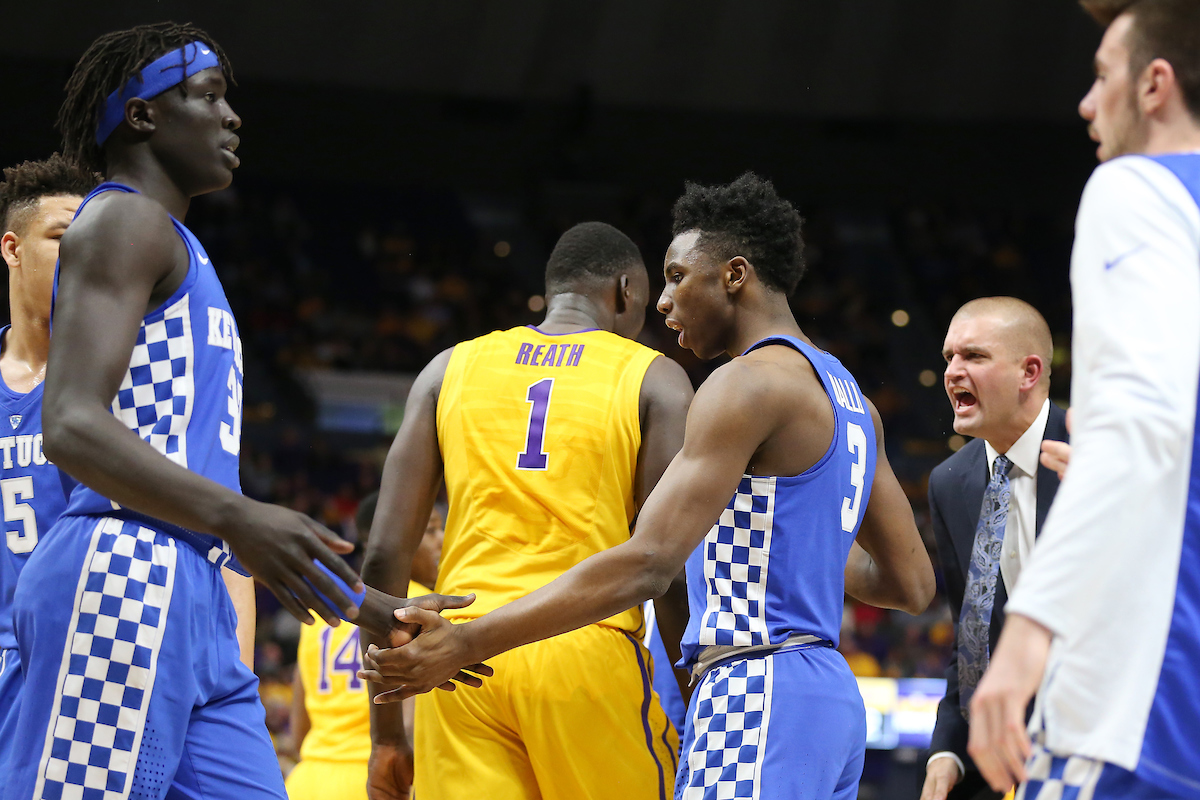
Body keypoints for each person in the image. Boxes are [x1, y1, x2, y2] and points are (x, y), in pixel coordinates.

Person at [361, 173, 936, 799]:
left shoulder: (742, 384)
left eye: (678, 276)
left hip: (751, 685)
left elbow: (651, 562)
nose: (664, 301)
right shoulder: (854, 400)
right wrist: (794, 547)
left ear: (735, 275)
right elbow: (911, 584)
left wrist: (467, 641)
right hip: (828, 698)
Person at [3, 24, 466, 800]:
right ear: (143, 116)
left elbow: (193, 469)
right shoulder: (120, 219)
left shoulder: (174, 241)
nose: (231, 117)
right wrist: (238, 518)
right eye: (209, 96)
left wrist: (361, 605)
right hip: (121, 573)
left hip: (197, 592)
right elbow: (71, 424)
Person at [360, 220, 695, 800]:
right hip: (585, 648)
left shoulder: (448, 368)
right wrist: (696, 694)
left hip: (457, 659)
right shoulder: (653, 376)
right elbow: (668, 571)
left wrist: (387, 734)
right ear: (625, 291)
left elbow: (385, 556)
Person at [967, 2, 1200, 799]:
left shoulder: (1136, 189)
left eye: (1103, 76)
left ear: (1155, 85)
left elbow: (1142, 422)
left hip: (1143, 687)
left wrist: (1028, 634)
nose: (1086, 102)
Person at [920, 298, 1068, 800]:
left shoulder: (1099, 450)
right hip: (1010, 756)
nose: (953, 372)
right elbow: (972, 635)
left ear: (1029, 372)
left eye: (974, 357)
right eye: (948, 358)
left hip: (1113, 733)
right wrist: (948, 749)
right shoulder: (949, 482)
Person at [0, 154, 96, 776]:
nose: (85, 256)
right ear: (12, 248)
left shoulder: (130, 383)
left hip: (95, 668)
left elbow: (223, 541)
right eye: (63, 239)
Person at [288, 495, 447, 800]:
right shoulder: (417, 608)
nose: (441, 541)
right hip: (379, 780)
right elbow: (411, 723)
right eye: (430, 531)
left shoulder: (324, 604)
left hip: (306, 781)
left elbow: (298, 733)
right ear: (398, 538)